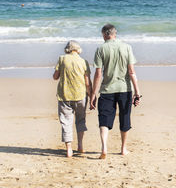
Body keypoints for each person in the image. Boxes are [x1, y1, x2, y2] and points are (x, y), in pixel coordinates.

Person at [90, 24, 141, 159]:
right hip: (125, 88)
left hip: (107, 89)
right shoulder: (127, 47)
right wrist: (137, 92)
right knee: (125, 118)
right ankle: (123, 149)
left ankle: (104, 147)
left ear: (104, 34)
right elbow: (131, 72)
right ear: (115, 33)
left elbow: (98, 74)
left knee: (104, 118)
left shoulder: (101, 49)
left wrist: (93, 94)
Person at [53, 40, 92, 157]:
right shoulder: (83, 62)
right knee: (81, 120)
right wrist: (91, 96)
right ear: (78, 49)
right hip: (81, 95)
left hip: (65, 95)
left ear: (67, 49)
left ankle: (69, 149)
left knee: (66, 121)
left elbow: (55, 76)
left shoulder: (62, 59)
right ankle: (80, 145)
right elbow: (87, 82)